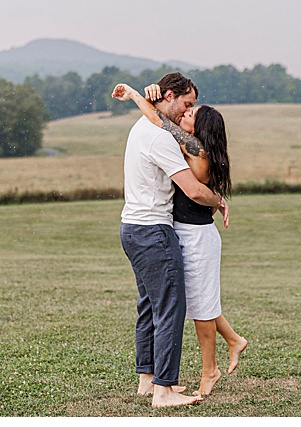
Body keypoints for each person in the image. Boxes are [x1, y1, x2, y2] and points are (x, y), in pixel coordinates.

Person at [116, 84, 250, 397]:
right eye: (186, 106)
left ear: (199, 129)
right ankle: (233, 340)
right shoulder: (185, 144)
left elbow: (161, 122)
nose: (185, 113)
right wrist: (148, 95)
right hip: (177, 232)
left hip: (197, 236)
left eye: (192, 113)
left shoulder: (195, 149)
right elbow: (160, 119)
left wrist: (137, 96)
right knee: (190, 302)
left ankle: (209, 371)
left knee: (199, 306)